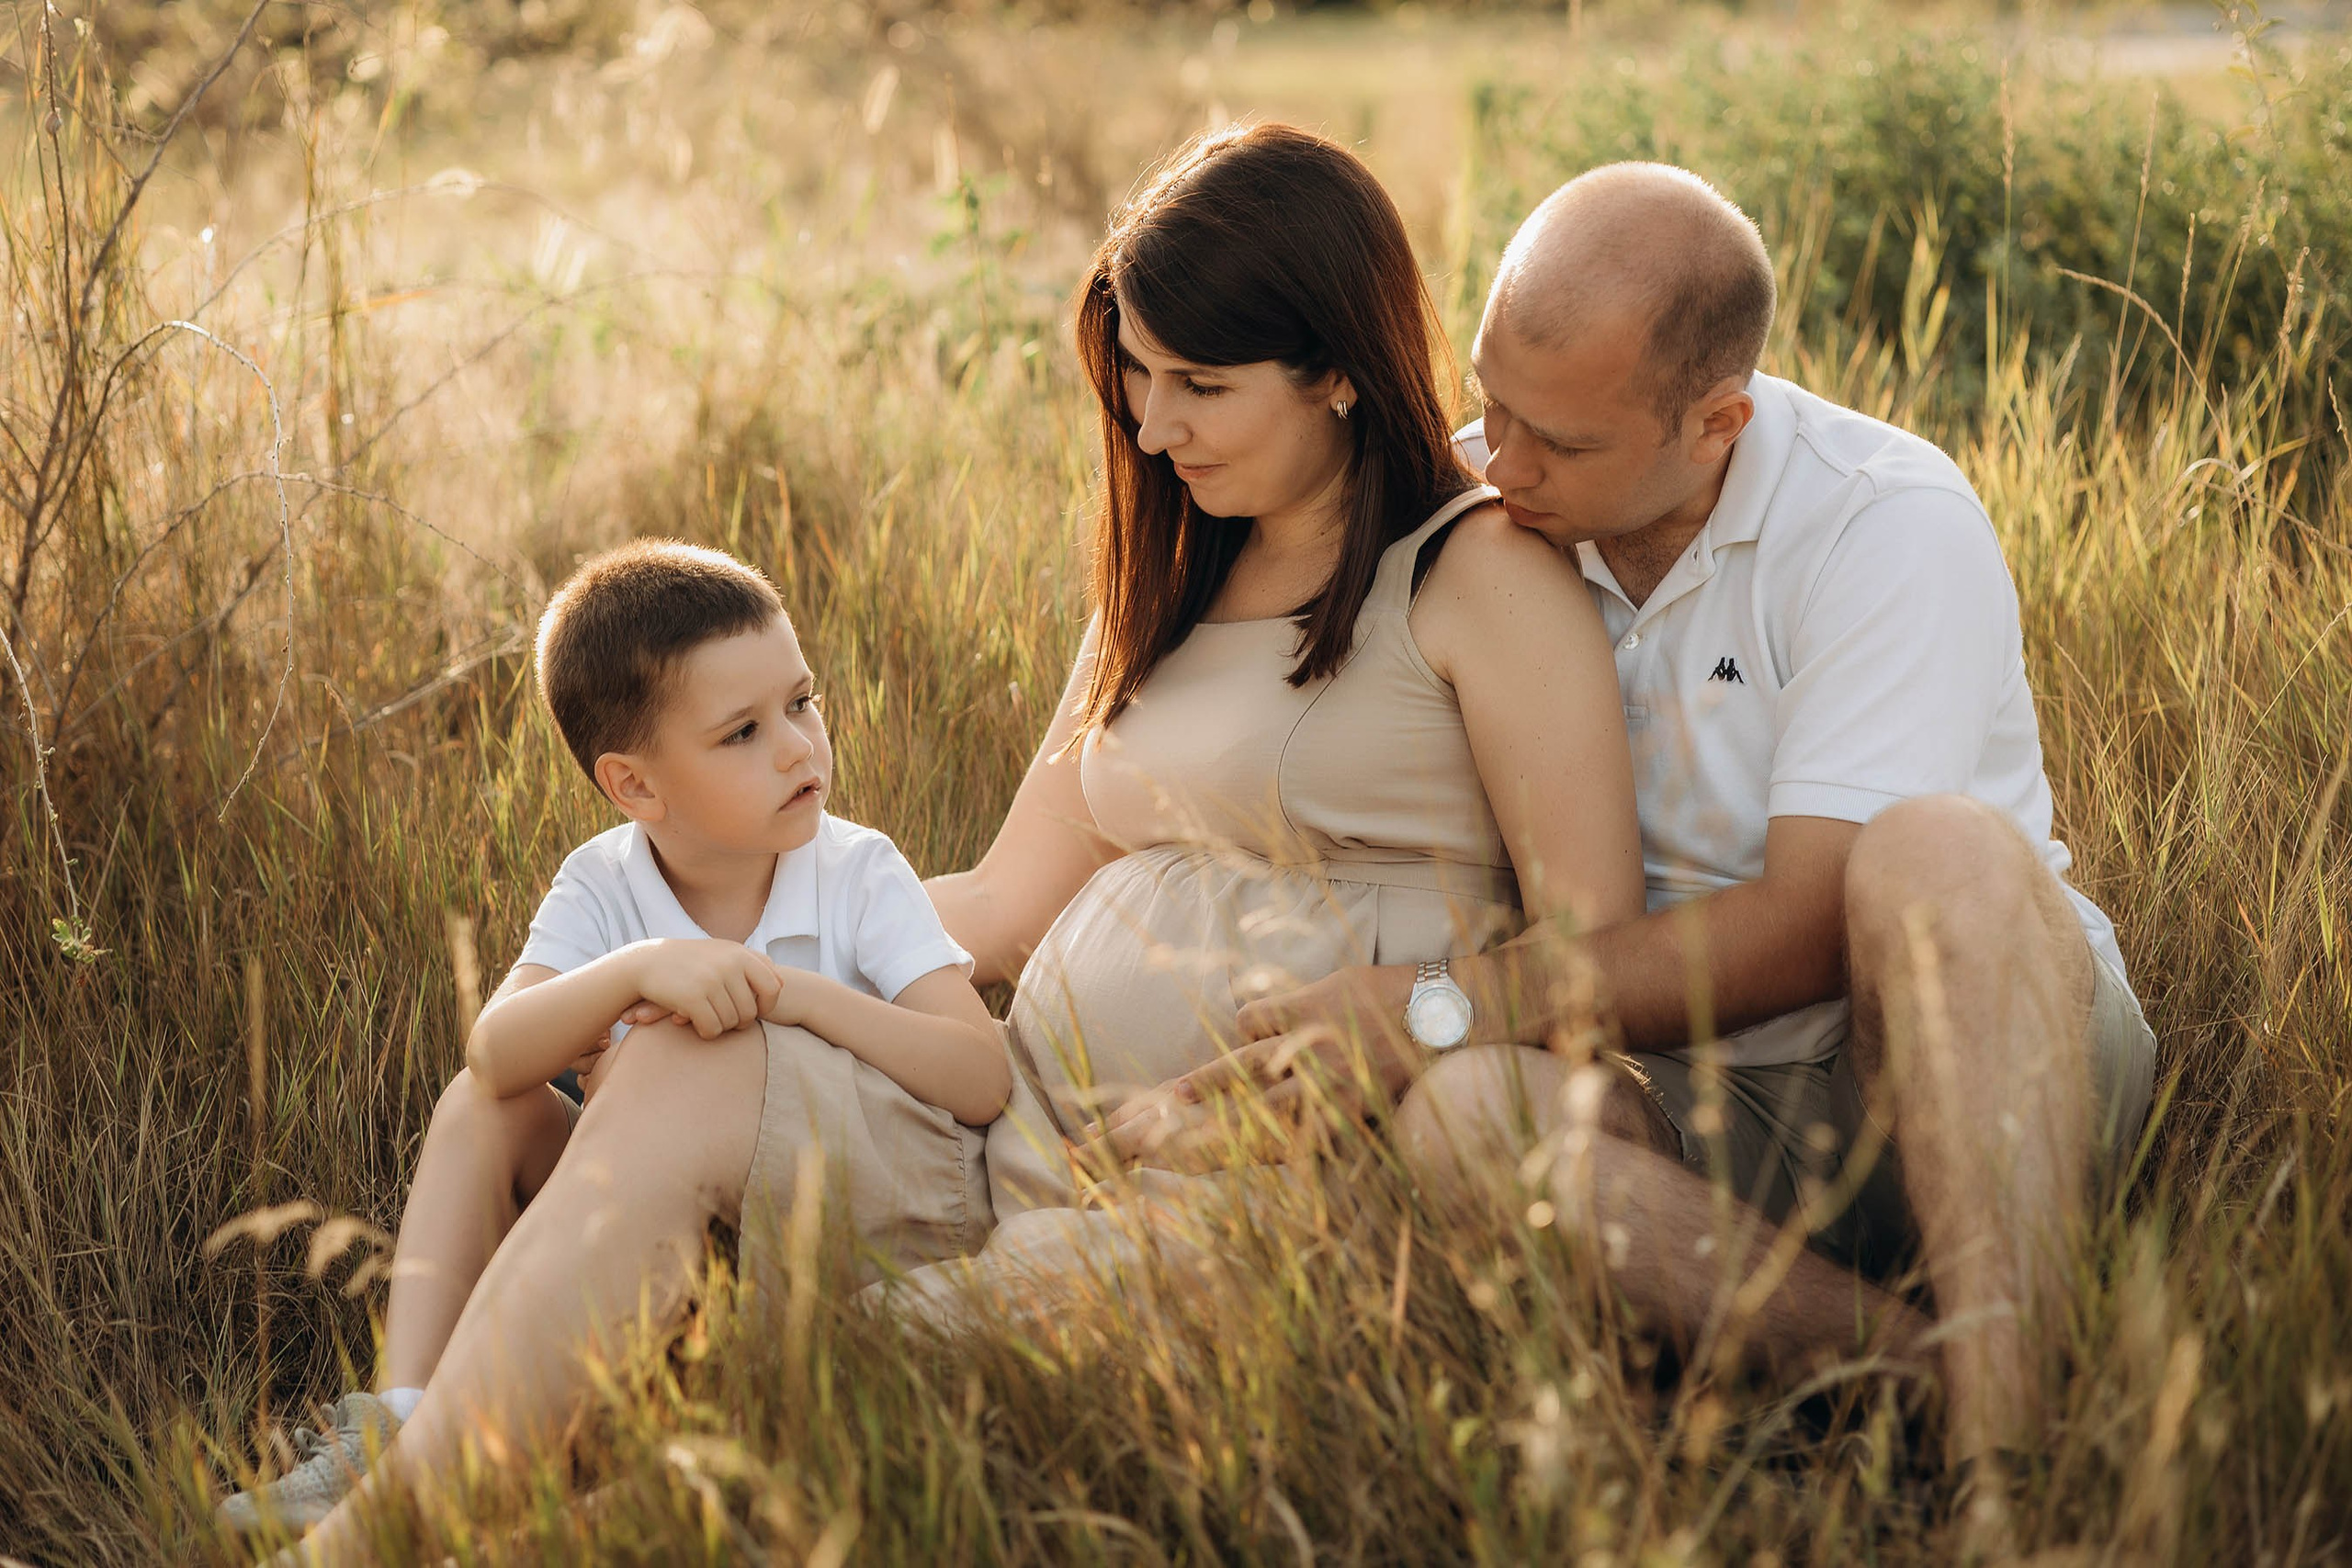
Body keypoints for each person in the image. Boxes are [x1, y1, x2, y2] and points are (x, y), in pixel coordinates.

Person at [277, 120, 1642, 1559]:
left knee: (805, 1410)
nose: (1152, 424)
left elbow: (1598, 956)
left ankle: (464, 1510)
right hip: (1015, 1134)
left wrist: (1410, 1020)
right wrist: (706, 973)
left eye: (1201, 384)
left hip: (1265, 1188)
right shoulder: (1162, 582)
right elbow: (993, 904)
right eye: (1136, 377)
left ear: (1340, 370)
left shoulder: (1476, 574)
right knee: (685, 1056)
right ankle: (376, 1526)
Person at [1108, 163, 2157, 1476]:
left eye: (1565, 439)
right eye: (1492, 402)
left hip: (1984, 1052)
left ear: (1717, 421)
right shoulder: (1486, 519)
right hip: (1712, 1092)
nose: (1504, 458)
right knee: (1467, 1121)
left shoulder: (1883, 524)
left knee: (1929, 849)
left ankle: (2015, 1473)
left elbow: (1803, 933)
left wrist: (1430, 1000)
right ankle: (1933, 1375)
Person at [219, 539, 1006, 1539]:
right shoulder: (603, 883)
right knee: (483, 1107)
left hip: (817, 1233)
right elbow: (497, 1053)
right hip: (648, 1258)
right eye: (743, 732)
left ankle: (427, 1488)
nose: (800, 748)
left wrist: (794, 999)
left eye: (802, 703)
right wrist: (634, 975)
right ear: (635, 786)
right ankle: (399, 1428)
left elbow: (981, 1078)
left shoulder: (857, 873)